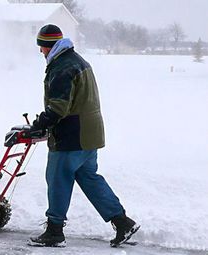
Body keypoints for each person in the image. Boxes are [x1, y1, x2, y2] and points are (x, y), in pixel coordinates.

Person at [28, 24, 140, 248]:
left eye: (42, 47)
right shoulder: (77, 60)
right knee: (89, 179)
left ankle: (54, 231)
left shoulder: (62, 67)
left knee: (58, 179)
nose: (41, 52)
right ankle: (122, 221)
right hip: (89, 136)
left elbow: (59, 107)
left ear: (49, 46)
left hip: (72, 137)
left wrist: (39, 124)